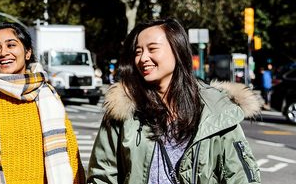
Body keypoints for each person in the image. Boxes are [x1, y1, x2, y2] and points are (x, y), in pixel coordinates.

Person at [87, 18, 261, 184]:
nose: (143, 58)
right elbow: (102, 176)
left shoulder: (218, 111)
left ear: (177, 50)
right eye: (138, 52)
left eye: (152, 49)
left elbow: (240, 176)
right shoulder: (123, 109)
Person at [0, 22, 85, 184]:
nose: (4, 53)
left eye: (11, 45)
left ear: (27, 52)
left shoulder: (48, 95)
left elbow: (70, 153)